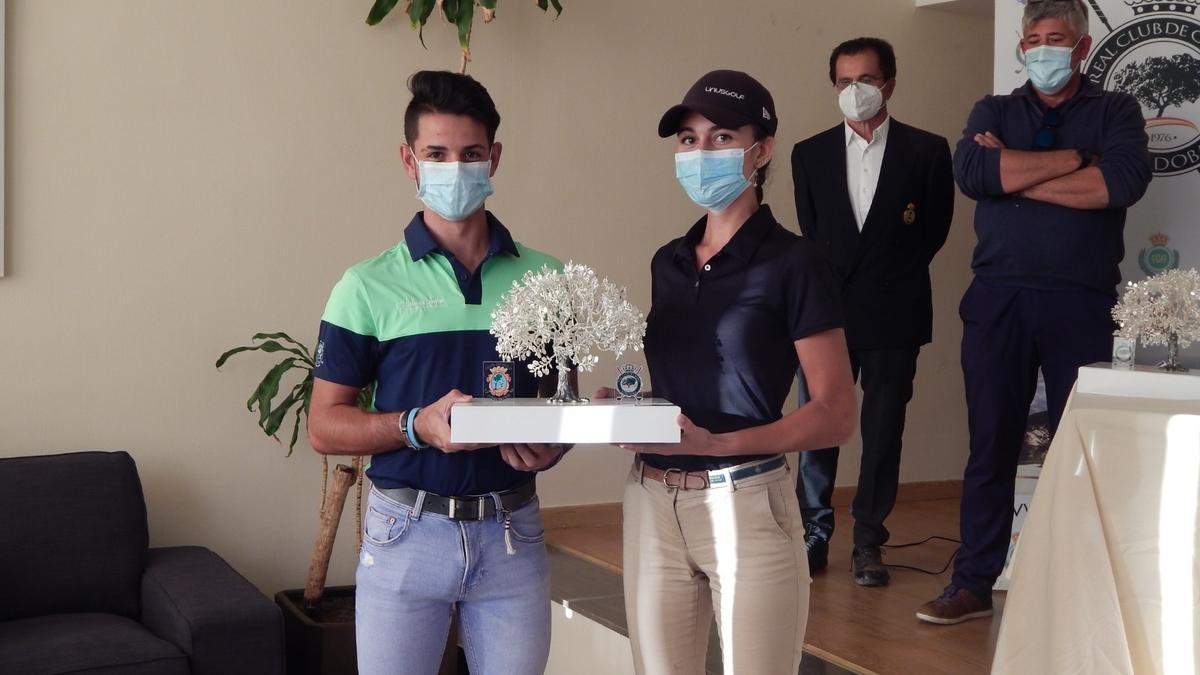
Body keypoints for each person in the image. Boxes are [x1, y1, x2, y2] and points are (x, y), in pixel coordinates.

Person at [307, 70, 568, 673]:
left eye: (471, 154)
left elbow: (560, 405)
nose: (455, 169)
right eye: (437, 154)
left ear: (495, 158)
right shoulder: (365, 287)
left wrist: (553, 446)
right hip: (405, 534)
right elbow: (325, 427)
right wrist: (415, 426)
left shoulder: (548, 280)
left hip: (512, 534)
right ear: (409, 161)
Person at [599, 69, 857, 674]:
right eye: (688, 141)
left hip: (745, 501)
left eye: (720, 138)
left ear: (761, 149)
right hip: (651, 502)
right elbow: (687, 387)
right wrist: (629, 409)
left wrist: (719, 443)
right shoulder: (668, 261)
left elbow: (836, 413)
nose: (700, 153)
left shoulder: (796, 264)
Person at [917, 0, 1151, 624]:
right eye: (1034, 39)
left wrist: (1013, 174)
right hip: (998, 301)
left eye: (1057, 39)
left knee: (1084, 449)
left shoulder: (1116, 111)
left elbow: (1120, 185)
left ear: (1080, 48)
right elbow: (973, 171)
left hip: (1082, 301)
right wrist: (1078, 159)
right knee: (990, 443)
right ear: (1022, 47)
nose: (1043, 49)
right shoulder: (993, 110)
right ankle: (971, 583)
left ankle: (1086, 584)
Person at [791, 37, 954, 586]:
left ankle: (869, 541)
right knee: (816, 425)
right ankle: (813, 532)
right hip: (826, 316)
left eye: (865, 79)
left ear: (889, 81)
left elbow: (932, 233)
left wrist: (887, 274)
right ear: (833, 85)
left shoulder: (927, 150)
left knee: (884, 429)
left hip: (895, 309)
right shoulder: (808, 154)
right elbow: (812, 235)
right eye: (844, 81)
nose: (854, 91)